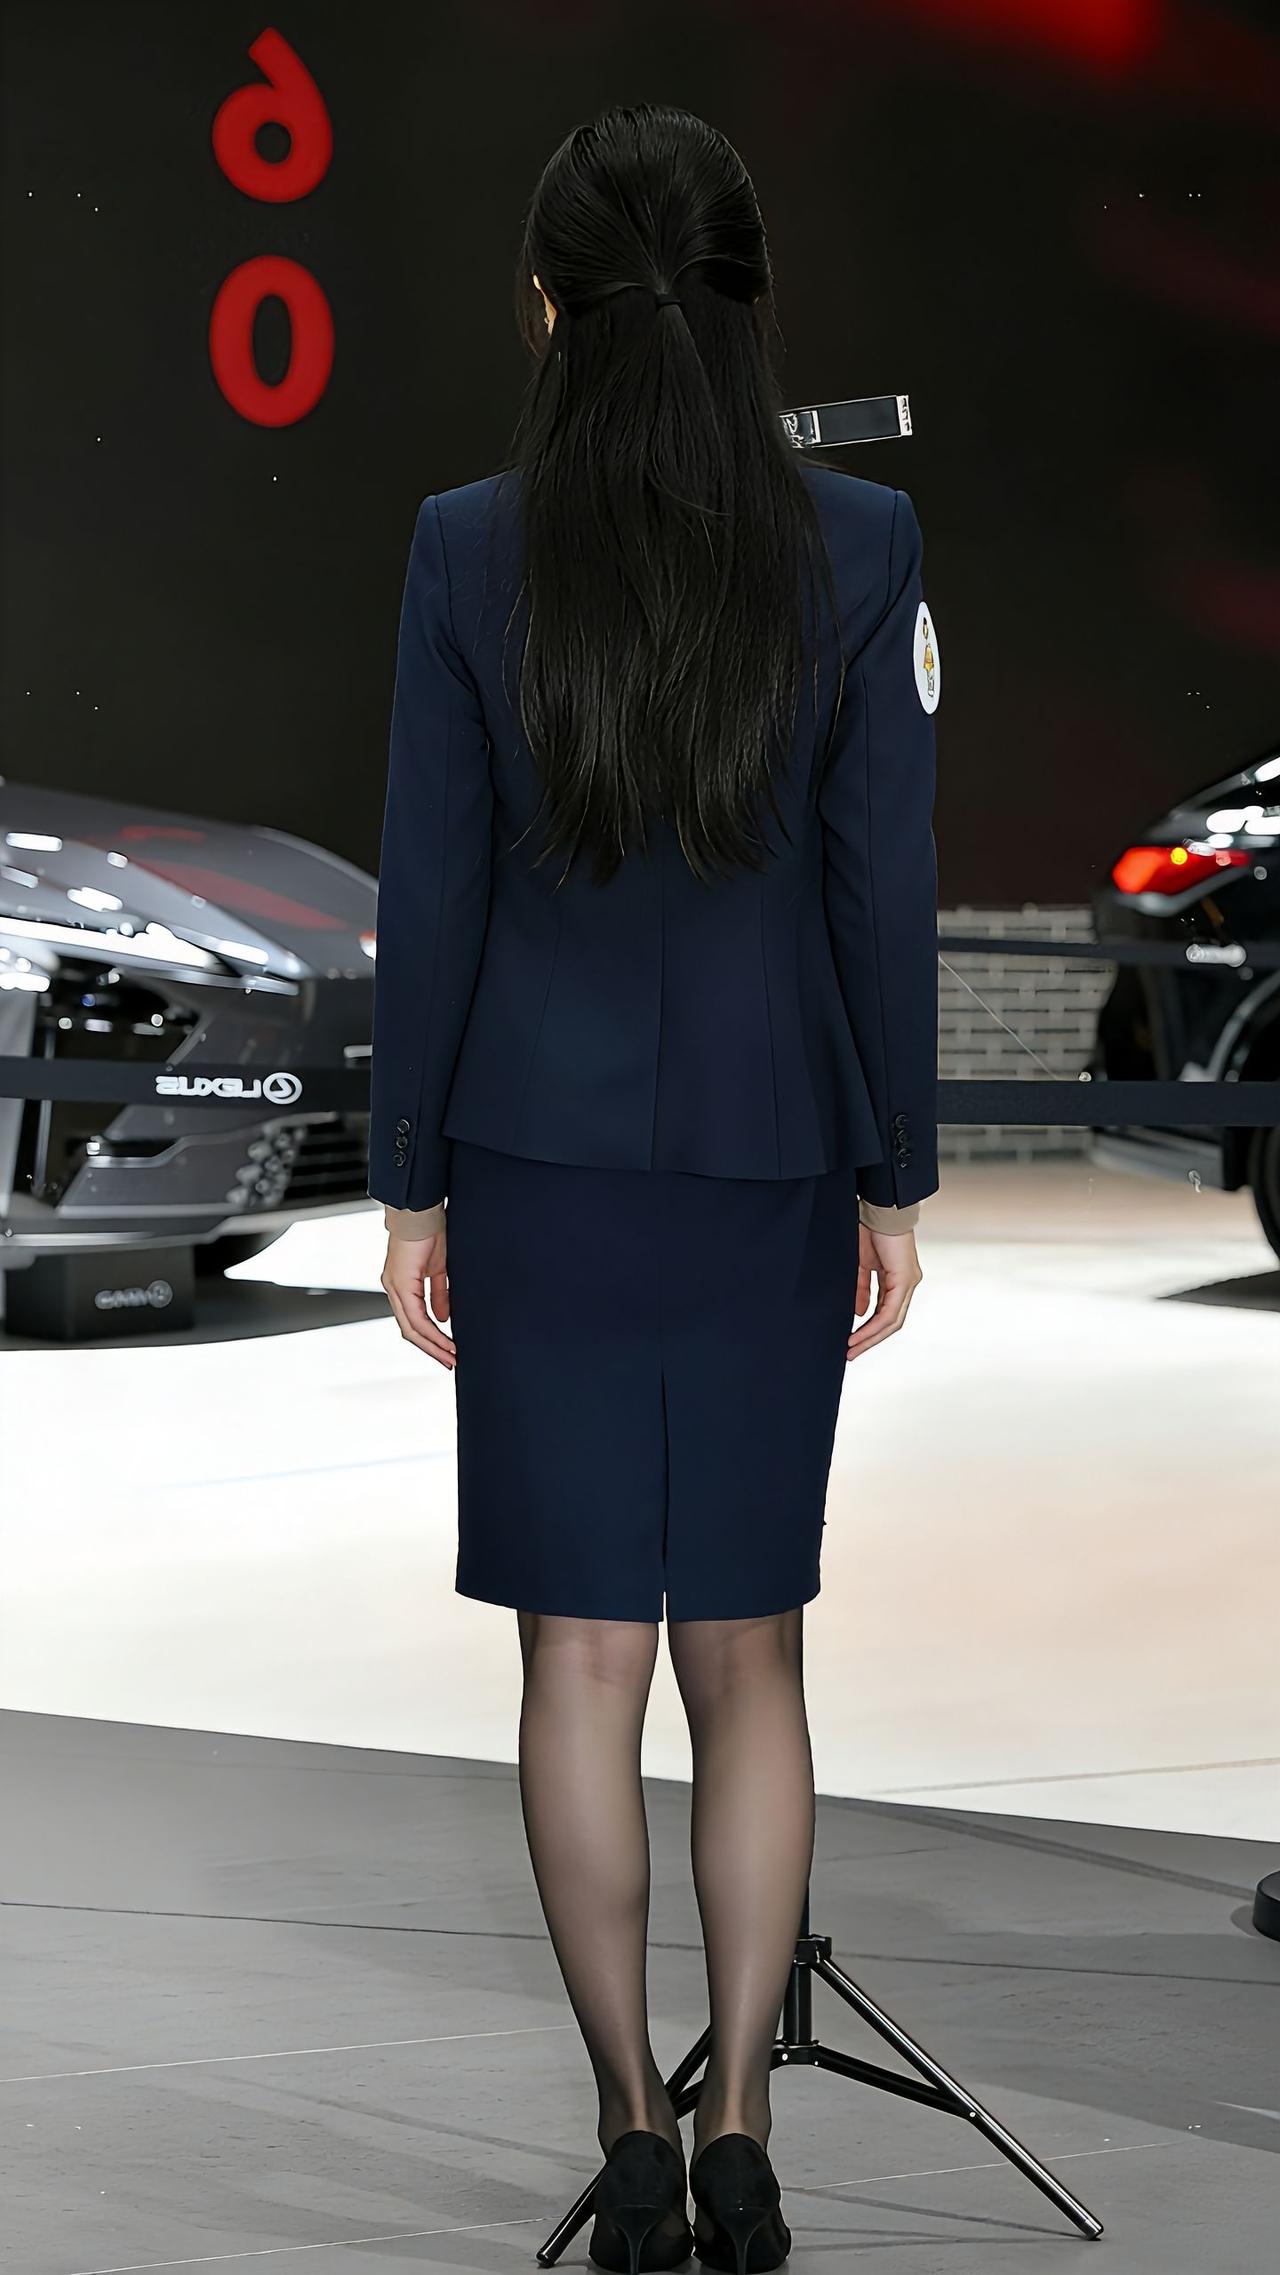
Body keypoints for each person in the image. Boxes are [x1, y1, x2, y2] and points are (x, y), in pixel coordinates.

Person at [369, 102, 939, 2275]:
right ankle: (745, 2127)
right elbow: (876, 891)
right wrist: (894, 1171)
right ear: (750, 301)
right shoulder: (859, 542)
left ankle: (628, 2127)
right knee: (752, 1660)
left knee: (582, 1658)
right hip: (772, 1159)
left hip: (540, 1162)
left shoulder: (463, 548)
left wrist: (411, 1188)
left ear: (546, 307)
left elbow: (436, 894)